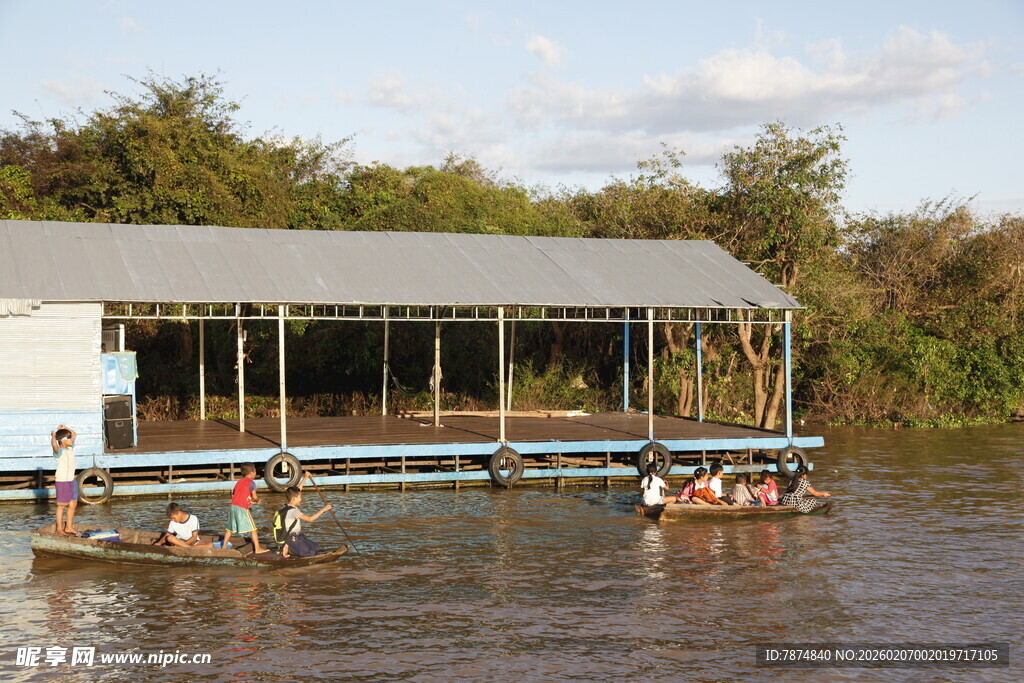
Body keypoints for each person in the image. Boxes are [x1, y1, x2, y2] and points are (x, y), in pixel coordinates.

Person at [276, 472, 333, 558]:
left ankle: (293, 547)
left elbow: (298, 490)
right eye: (300, 498)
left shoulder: (290, 505)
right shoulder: (293, 511)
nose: (301, 499)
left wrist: (305, 478)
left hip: (299, 536)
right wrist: (324, 509)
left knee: (316, 548)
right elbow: (310, 519)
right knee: (309, 553)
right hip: (291, 538)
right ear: (294, 499)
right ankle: (288, 547)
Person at [223, 463, 267, 553]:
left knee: (230, 528)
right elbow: (254, 496)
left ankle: (224, 546)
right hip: (241, 508)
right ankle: (257, 549)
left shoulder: (239, 482)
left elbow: (235, 496)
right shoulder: (251, 482)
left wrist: (252, 502)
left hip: (232, 506)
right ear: (251, 473)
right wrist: (258, 500)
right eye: (255, 471)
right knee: (253, 528)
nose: (255, 473)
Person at [50, 425, 78, 535]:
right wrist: (53, 435)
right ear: (62, 440)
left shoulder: (70, 448)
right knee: (61, 506)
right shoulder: (59, 452)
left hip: (72, 480)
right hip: (62, 481)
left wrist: (65, 427)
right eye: (69, 437)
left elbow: (75, 434)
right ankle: (59, 529)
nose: (72, 439)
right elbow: (54, 445)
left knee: (73, 504)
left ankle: (69, 527)